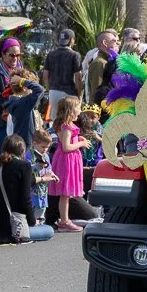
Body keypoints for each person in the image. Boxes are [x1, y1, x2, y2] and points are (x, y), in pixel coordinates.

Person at [0, 135, 54, 243]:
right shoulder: (24, 166)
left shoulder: (0, 166)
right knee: (49, 231)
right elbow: (25, 199)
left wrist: (42, 179)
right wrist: (32, 221)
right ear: (22, 150)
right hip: (10, 226)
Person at [49, 97, 91, 232]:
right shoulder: (66, 126)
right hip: (67, 160)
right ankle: (64, 220)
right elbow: (66, 146)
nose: (80, 110)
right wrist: (81, 144)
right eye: (78, 108)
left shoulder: (68, 126)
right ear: (70, 110)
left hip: (69, 159)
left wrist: (77, 138)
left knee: (66, 193)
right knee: (65, 192)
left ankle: (65, 219)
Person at [0, 37, 24, 154]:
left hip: (21, 122)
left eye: (18, 55)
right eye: (12, 55)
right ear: (3, 54)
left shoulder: (23, 74)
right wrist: (10, 95)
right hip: (3, 124)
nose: (15, 59)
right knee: (4, 158)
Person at [42, 29, 83, 120]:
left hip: (53, 92)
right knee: (70, 120)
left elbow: (45, 75)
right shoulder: (75, 55)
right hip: (70, 93)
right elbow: (78, 77)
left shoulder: (51, 54)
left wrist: (50, 90)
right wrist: (79, 94)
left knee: (55, 120)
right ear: (72, 40)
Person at [3, 71, 45, 150]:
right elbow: (40, 89)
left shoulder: (15, 101)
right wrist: (22, 81)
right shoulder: (24, 103)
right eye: (31, 86)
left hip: (19, 144)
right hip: (26, 145)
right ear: (25, 87)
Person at [30, 129, 55, 225]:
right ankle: (33, 225)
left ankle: (40, 224)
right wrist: (37, 166)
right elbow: (27, 170)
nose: (45, 150)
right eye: (43, 147)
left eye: (47, 147)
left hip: (43, 190)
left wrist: (53, 175)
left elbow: (49, 169)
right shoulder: (29, 155)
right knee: (34, 210)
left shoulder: (46, 156)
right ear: (34, 144)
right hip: (33, 190)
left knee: (42, 209)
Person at [86, 30, 119, 103]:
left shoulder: (109, 61)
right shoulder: (99, 63)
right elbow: (97, 91)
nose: (118, 43)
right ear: (105, 43)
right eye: (114, 41)